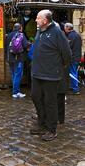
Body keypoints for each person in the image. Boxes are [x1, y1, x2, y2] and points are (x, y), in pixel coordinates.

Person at [30, 10, 71, 141]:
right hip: (37, 74)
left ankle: (51, 129)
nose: (36, 20)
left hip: (51, 75)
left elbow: (67, 54)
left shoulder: (57, 33)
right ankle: (42, 124)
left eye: (38, 18)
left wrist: (57, 67)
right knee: (36, 97)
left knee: (50, 102)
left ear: (45, 20)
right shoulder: (39, 31)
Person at [5, 23, 28, 98]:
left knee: (13, 74)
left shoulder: (8, 35)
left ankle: (14, 90)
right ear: (20, 28)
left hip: (10, 58)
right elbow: (25, 45)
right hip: (18, 58)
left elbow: (6, 46)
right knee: (18, 74)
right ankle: (16, 92)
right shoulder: (21, 35)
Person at [64, 23, 82, 95]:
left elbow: (68, 47)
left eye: (65, 27)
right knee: (74, 72)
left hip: (73, 57)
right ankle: (73, 86)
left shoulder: (71, 36)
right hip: (77, 56)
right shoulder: (77, 35)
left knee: (73, 73)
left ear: (68, 28)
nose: (64, 29)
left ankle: (75, 89)